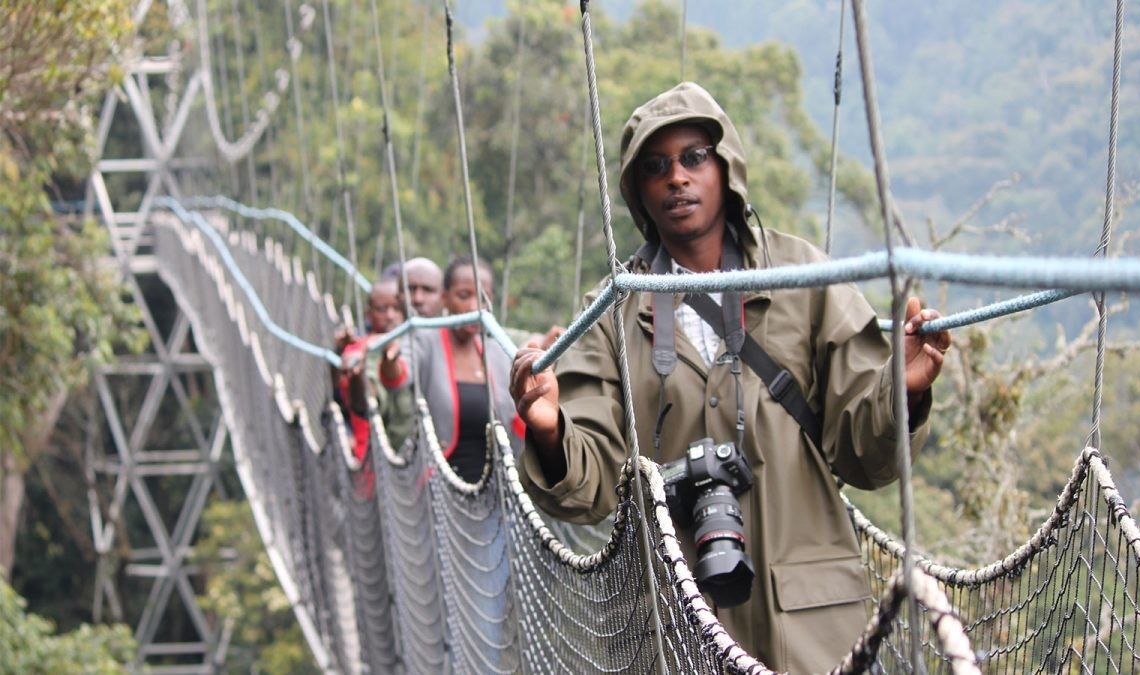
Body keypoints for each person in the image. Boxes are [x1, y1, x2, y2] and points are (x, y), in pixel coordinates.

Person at [508, 82, 952, 673]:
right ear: (639, 190)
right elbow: (589, 488)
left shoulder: (805, 279)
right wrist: (549, 429)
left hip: (808, 627)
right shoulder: (612, 312)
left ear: (726, 169)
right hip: (672, 630)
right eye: (654, 166)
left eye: (694, 157)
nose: (676, 178)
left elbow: (864, 455)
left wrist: (906, 388)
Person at [408, 256, 524, 482]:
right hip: (440, 491)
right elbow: (399, 373)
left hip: (496, 493)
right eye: (464, 296)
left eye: (483, 298)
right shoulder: (424, 341)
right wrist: (390, 362)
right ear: (445, 298)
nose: (474, 307)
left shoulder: (498, 353)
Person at [334, 278, 409, 497]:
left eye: (397, 308)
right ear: (368, 314)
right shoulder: (356, 350)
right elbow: (351, 402)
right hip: (368, 465)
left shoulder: (417, 346)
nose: (390, 315)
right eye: (382, 309)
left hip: (413, 469)